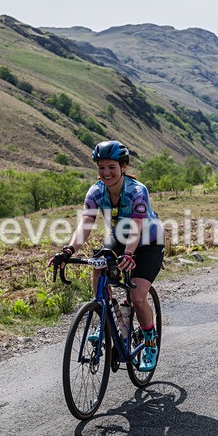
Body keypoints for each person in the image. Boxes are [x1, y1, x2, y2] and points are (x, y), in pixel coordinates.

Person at [49, 140, 164, 372]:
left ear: (123, 166)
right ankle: (105, 316)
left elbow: (135, 226)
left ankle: (150, 343)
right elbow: (85, 225)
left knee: (138, 296)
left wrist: (130, 254)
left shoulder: (137, 191)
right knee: (98, 263)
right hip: (120, 237)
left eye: (111, 167)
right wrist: (68, 250)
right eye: (101, 167)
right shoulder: (95, 192)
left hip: (148, 241)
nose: (106, 173)